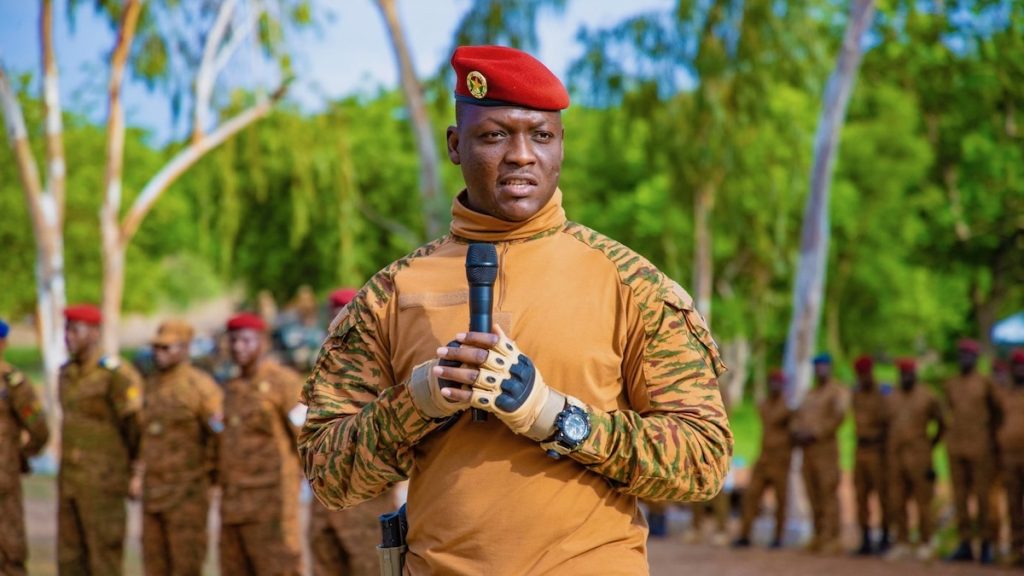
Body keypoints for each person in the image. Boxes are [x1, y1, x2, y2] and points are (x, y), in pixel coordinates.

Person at [299, 45, 732, 574]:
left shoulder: (630, 284)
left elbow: (702, 461)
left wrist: (555, 416)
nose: (522, 154)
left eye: (541, 136)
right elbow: (328, 474)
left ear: (561, 147)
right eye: (495, 135)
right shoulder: (392, 293)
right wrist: (419, 401)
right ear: (456, 145)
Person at [307, 288, 396, 576]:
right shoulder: (320, 372)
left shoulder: (386, 366)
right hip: (324, 504)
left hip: (367, 501)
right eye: (335, 319)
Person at [57, 304, 143, 575]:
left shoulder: (115, 375)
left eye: (75, 330)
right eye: (67, 329)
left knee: (103, 559)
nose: (68, 336)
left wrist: (135, 471)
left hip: (104, 484)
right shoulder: (66, 373)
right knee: (70, 559)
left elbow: (136, 427)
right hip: (71, 482)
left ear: (94, 333)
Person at [218, 313, 305, 575]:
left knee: (279, 568)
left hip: (272, 503)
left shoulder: (284, 382)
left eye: (246, 340)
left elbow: (304, 437)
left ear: (263, 342)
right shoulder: (231, 387)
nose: (237, 347)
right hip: (234, 503)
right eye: (233, 341)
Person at [136, 320, 223, 576]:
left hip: (187, 496)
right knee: (154, 565)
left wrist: (211, 477)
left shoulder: (201, 387)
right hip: (153, 494)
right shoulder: (150, 385)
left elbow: (220, 435)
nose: (159, 353)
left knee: (185, 566)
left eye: (167, 347)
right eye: (156, 347)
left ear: (185, 348)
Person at [0, 319, 50, 576]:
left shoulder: (13, 383)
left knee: (10, 553)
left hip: (4, 484)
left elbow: (39, 429)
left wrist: (21, 456)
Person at [943, 338, 998, 564]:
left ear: (976, 358)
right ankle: (965, 542)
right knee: (960, 496)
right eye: (962, 355)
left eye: (969, 355)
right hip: (956, 447)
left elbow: (998, 413)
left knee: (984, 497)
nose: (964, 359)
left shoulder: (986, 383)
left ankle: (987, 543)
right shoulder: (951, 384)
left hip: (981, 448)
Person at [885, 358, 944, 561]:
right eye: (903, 374)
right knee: (897, 499)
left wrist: (929, 445)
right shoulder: (892, 396)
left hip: (920, 456)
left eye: (910, 374)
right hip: (896, 457)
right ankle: (902, 541)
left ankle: (928, 540)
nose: (906, 377)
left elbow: (943, 423)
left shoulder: (927, 396)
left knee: (924, 500)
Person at [790, 353, 847, 554]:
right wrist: (797, 431)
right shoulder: (810, 393)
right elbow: (798, 415)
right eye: (818, 367)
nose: (821, 370)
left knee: (828, 493)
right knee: (812, 493)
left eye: (824, 366)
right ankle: (818, 534)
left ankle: (833, 537)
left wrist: (816, 432)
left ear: (830, 368)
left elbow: (839, 416)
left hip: (826, 451)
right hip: (808, 452)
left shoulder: (836, 391)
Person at [734, 369, 792, 549]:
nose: (775, 386)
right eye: (772, 382)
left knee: (781, 500)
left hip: (781, 460)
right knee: (751, 496)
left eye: (778, 383)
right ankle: (744, 534)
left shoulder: (788, 408)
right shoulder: (764, 405)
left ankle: (778, 536)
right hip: (764, 457)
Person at [850, 355, 891, 554]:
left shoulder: (884, 393)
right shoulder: (855, 394)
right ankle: (865, 538)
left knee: (884, 494)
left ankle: (885, 536)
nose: (862, 378)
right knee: (860, 495)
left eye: (865, 373)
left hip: (878, 450)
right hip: (860, 449)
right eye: (859, 374)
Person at [994, 349, 1024, 566]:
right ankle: (1017, 548)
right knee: (1013, 504)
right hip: (1010, 458)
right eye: (1017, 366)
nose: (1020, 370)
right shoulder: (1005, 394)